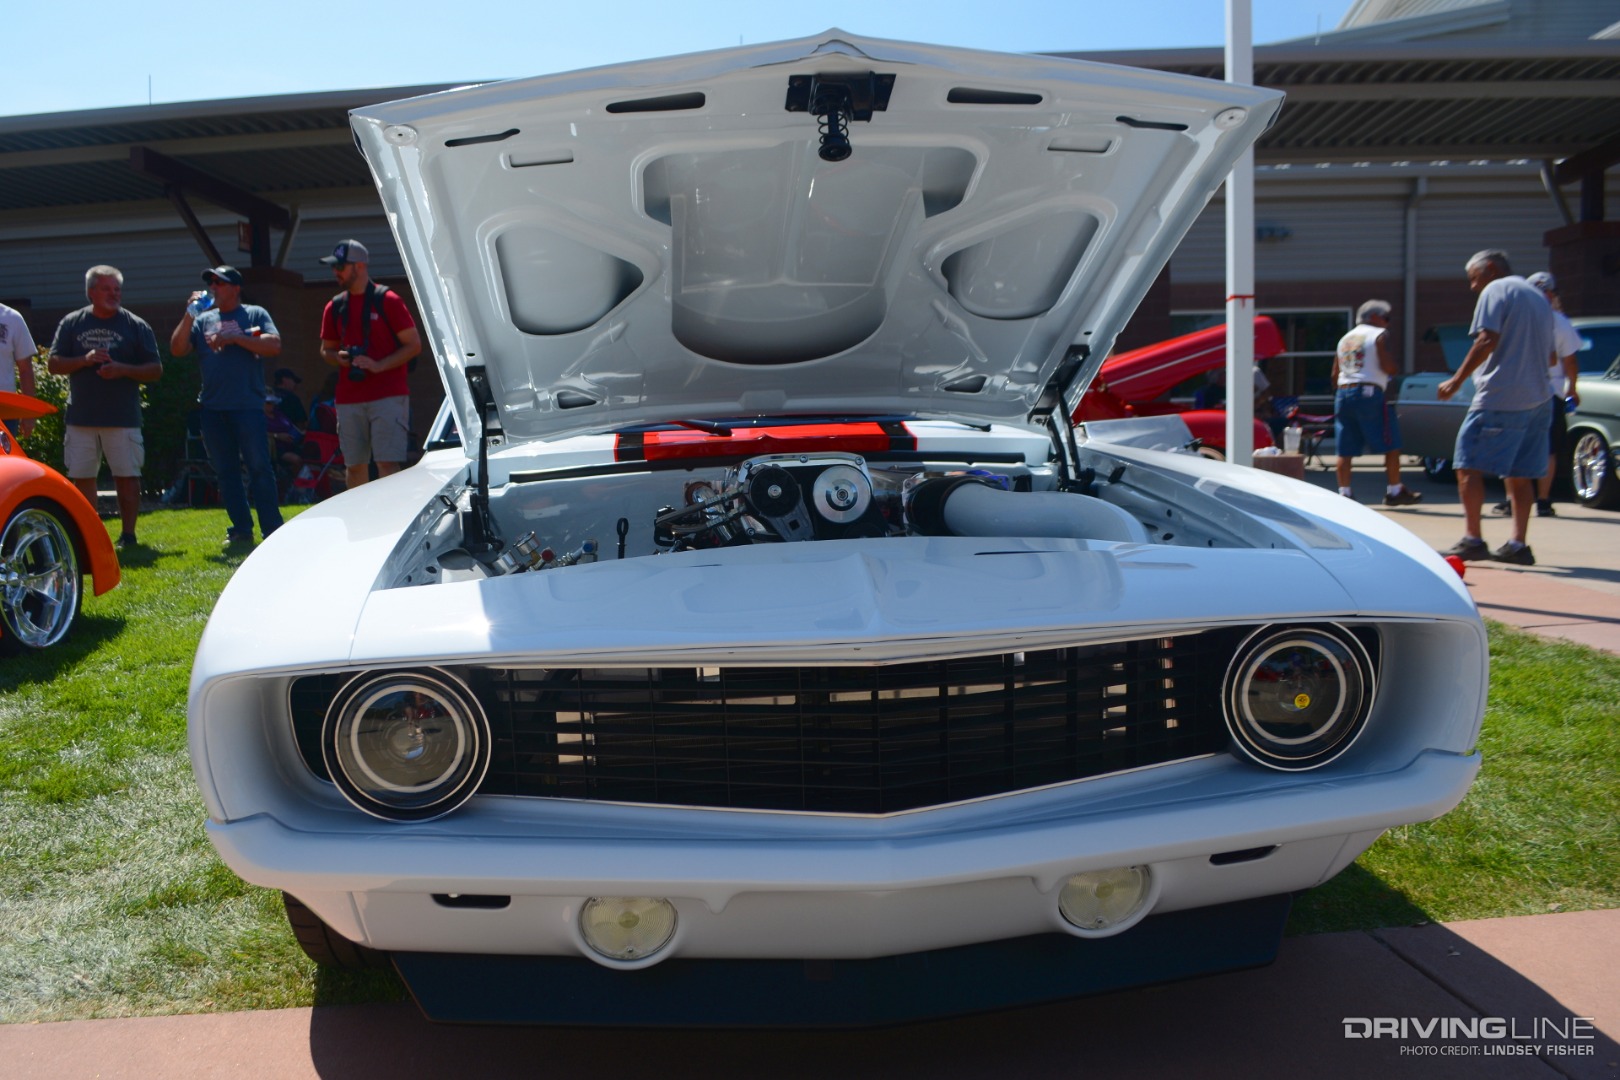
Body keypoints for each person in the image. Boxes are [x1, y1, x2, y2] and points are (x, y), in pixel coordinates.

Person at [1437, 250, 1555, 566]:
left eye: (1474, 278)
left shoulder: (1496, 289)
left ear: (1490, 269)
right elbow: (1553, 357)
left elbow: (1486, 339)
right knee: (1520, 473)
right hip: (1540, 397)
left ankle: (1473, 540)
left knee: (1466, 465)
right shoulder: (1539, 296)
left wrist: (1456, 380)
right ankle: (1518, 545)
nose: (1473, 287)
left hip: (1502, 396)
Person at [169, 265, 285, 548]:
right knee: (226, 470)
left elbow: (273, 345)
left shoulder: (254, 314)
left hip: (247, 406)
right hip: (212, 408)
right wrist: (189, 314)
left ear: (235, 288)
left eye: (219, 283)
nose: (213, 288)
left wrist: (235, 338)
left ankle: (272, 529)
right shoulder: (203, 320)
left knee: (259, 467)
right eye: (211, 283)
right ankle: (241, 528)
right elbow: (177, 348)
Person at [47, 265, 162, 548]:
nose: (114, 294)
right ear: (91, 292)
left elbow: (156, 370)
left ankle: (128, 536)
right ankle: (90, 535)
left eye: (117, 289)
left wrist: (123, 369)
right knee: (82, 477)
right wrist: (84, 360)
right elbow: (53, 364)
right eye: (107, 289)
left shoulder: (136, 325)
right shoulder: (73, 323)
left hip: (122, 417)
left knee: (127, 477)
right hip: (81, 417)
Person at [317, 239, 421, 489]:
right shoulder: (334, 306)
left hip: (388, 395)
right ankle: (361, 523)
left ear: (360, 266)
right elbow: (325, 350)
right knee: (354, 465)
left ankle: (393, 520)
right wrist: (338, 357)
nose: (335, 272)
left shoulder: (389, 300)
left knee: (387, 464)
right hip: (349, 398)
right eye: (334, 267)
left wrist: (378, 365)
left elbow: (414, 345)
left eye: (341, 266)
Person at [1488, 271, 1579, 519]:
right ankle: (1543, 500)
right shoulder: (1558, 321)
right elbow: (1568, 359)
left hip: (1519, 390)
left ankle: (1512, 501)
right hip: (1548, 392)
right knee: (1545, 448)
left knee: (1514, 447)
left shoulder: (1514, 318)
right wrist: (1572, 387)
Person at [1331, 300, 1420, 506]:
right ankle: (1395, 490)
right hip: (1369, 392)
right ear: (1373, 317)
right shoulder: (1378, 335)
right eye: (1386, 318)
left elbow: (1335, 373)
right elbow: (1387, 365)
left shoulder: (1345, 338)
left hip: (1344, 393)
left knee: (1345, 447)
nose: (1387, 323)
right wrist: (1393, 370)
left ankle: (1345, 492)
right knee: (1391, 442)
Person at [1, 301, 39, 439]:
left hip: (4, 412)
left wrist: (28, 414)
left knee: (4, 461)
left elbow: (25, 369)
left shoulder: (12, 318)